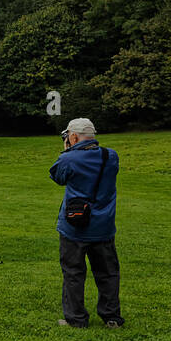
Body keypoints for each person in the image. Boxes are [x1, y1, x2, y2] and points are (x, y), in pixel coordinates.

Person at [50, 117, 124, 328]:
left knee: (73, 272)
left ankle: (76, 318)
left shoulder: (69, 159)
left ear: (72, 137)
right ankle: (111, 317)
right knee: (108, 273)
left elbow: (58, 176)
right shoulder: (111, 156)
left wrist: (66, 150)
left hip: (75, 226)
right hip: (104, 226)